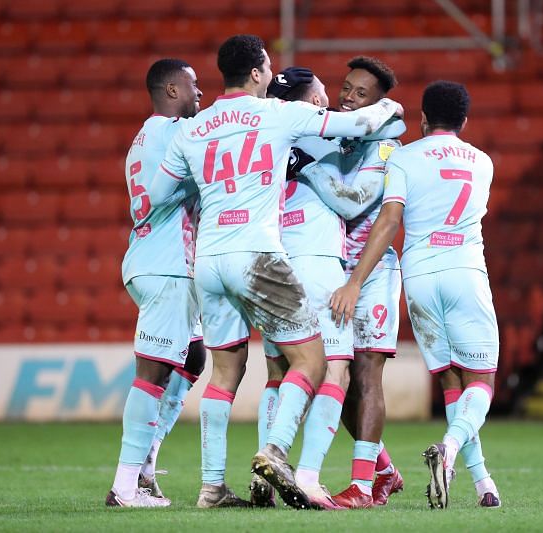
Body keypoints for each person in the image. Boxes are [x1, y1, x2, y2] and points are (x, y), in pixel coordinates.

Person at [148, 35, 403, 510]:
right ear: (259, 72)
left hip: (208, 259)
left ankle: (211, 487)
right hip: (257, 255)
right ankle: (277, 452)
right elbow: (362, 121)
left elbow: (160, 192)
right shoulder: (277, 114)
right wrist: (392, 108)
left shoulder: (195, 127)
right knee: (313, 361)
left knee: (225, 371)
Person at [330, 80, 502, 509]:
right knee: (480, 381)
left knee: (450, 380)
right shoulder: (483, 162)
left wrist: (354, 281)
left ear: (423, 118)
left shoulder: (404, 158)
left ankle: (483, 483)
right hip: (465, 271)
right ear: (463, 121)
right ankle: (448, 447)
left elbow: (388, 222)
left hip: (421, 276)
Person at [294, 56, 405, 508]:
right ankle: (384, 471)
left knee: (364, 374)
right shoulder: (342, 139)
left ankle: (361, 487)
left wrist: (304, 166)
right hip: (337, 274)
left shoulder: (386, 148)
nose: (347, 98)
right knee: (334, 381)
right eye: (346, 89)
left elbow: (353, 198)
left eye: (361, 94)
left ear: (378, 104)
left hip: (372, 273)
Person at [106, 59, 207, 508]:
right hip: (165, 266)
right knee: (152, 374)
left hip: (155, 259)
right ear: (171, 90)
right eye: (193, 86)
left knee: (193, 358)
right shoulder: (175, 134)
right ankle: (126, 486)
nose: (200, 94)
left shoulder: (144, 137)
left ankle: (146, 462)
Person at [252, 66, 354, 510]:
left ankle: (261, 481)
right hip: (317, 265)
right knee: (334, 371)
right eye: (324, 94)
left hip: (275, 267)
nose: (330, 99)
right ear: (311, 103)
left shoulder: (265, 140)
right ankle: (308, 476)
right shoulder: (321, 134)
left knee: (278, 372)